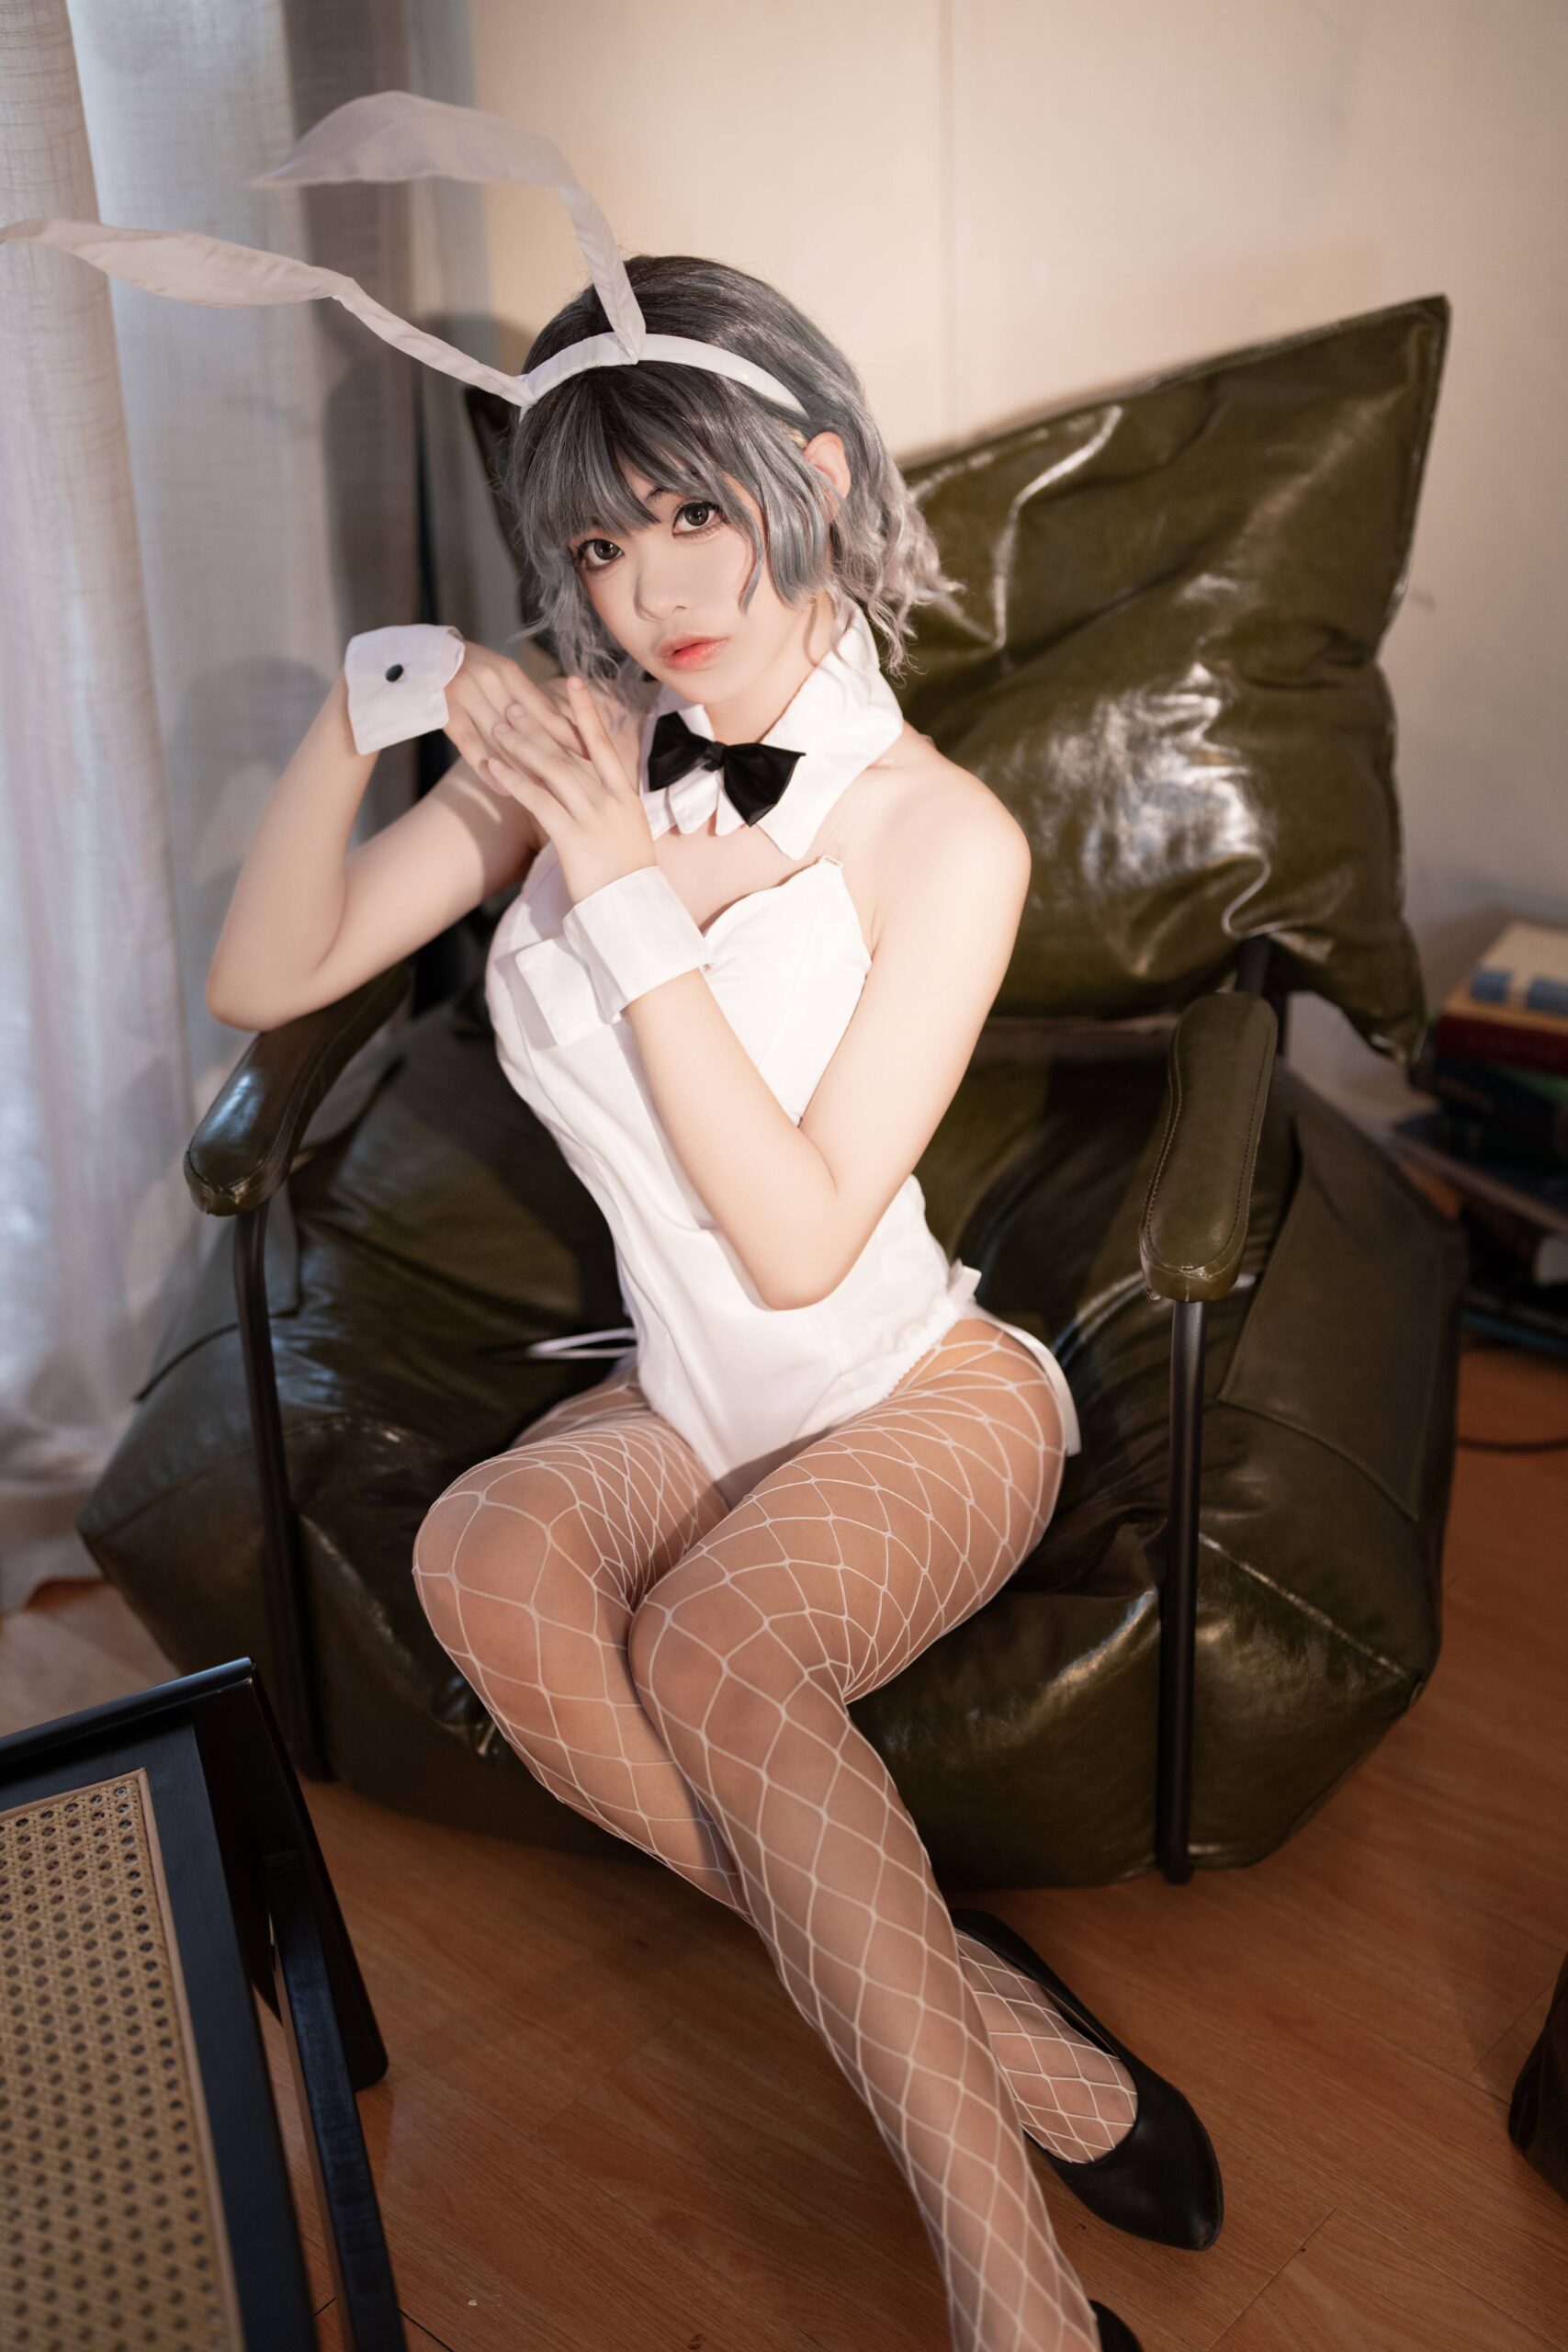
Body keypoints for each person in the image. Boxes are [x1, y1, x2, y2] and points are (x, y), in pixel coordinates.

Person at [13, 91, 1222, 2352]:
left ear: (814, 480)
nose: (650, 592)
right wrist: (366, 703)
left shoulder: (936, 835)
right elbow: (270, 973)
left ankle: (1020, 2304)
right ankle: (1008, 2031)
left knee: (713, 1657)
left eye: (690, 512)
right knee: (481, 1556)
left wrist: (622, 886)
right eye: (593, 542)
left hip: (908, 1387)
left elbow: (799, 1245)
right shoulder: (583, 749)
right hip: (686, 1394)